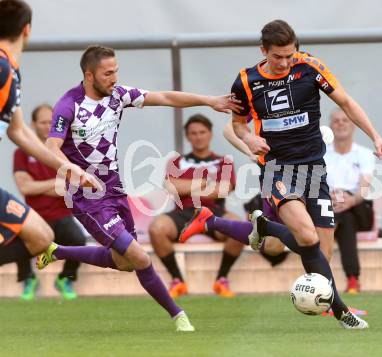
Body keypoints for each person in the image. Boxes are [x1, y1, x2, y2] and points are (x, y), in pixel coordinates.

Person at [180, 19, 382, 329]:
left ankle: (263, 227)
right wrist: (249, 138)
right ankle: (341, 310)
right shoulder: (246, 81)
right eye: (277, 56)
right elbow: (237, 125)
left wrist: (375, 136)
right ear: (263, 51)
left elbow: (345, 101)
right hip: (277, 168)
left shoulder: (310, 67)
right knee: (306, 237)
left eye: (290, 55)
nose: (284, 62)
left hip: (315, 169)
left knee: (322, 248)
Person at [35, 44, 242, 332]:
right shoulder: (69, 104)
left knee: (125, 262)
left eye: (116, 71)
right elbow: (51, 146)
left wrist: (207, 101)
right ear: (89, 75)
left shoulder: (118, 96)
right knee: (140, 257)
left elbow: (165, 96)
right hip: (87, 195)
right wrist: (74, 171)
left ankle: (58, 251)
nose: (114, 78)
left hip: (114, 188)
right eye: (108, 73)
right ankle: (178, 315)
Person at [0, 1, 98, 274]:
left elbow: (18, 131)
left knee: (40, 237)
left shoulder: (10, 70)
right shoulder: (1, 67)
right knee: (39, 236)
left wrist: (67, 168)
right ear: (27, 30)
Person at [149, 114, 243, 298]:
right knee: (156, 229)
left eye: (202, 132)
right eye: (193, 133)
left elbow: (223, 190)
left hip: (212, 212)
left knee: (239, 228)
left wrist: (187, 186)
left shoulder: (224, 161)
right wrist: (202, 183)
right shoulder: (176, 162)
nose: (198, 136)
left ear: (210, 134)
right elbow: (171, 187)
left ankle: (221, 280)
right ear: (188, 136)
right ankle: (178, 281)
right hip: (183, 213)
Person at [13, 104, 88, 300]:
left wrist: (39, 186)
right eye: (43, 122)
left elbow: (67, 187)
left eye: (51, 122)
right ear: (33, 124)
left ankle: (65, 279)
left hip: (62, 215)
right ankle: (29, 279)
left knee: (79, 241)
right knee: (17, 238)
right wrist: (53, 184)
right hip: (34, 215)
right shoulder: (21, 153)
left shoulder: (65, 151)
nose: (48, 126)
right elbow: (25, 188)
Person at [325, 108, 375, 294]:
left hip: (358, 208)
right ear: (330, 126)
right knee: (342, 219)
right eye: (336, 121)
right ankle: (353, 279)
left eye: (345, 120)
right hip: (329, 206)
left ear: (353, 125)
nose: (340, 124)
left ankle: (324, 282)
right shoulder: (321, 154)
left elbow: (364, 186)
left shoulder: (364, 154)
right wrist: (331, 199)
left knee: (343, 217)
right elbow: (314, 184)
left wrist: (351, 200)